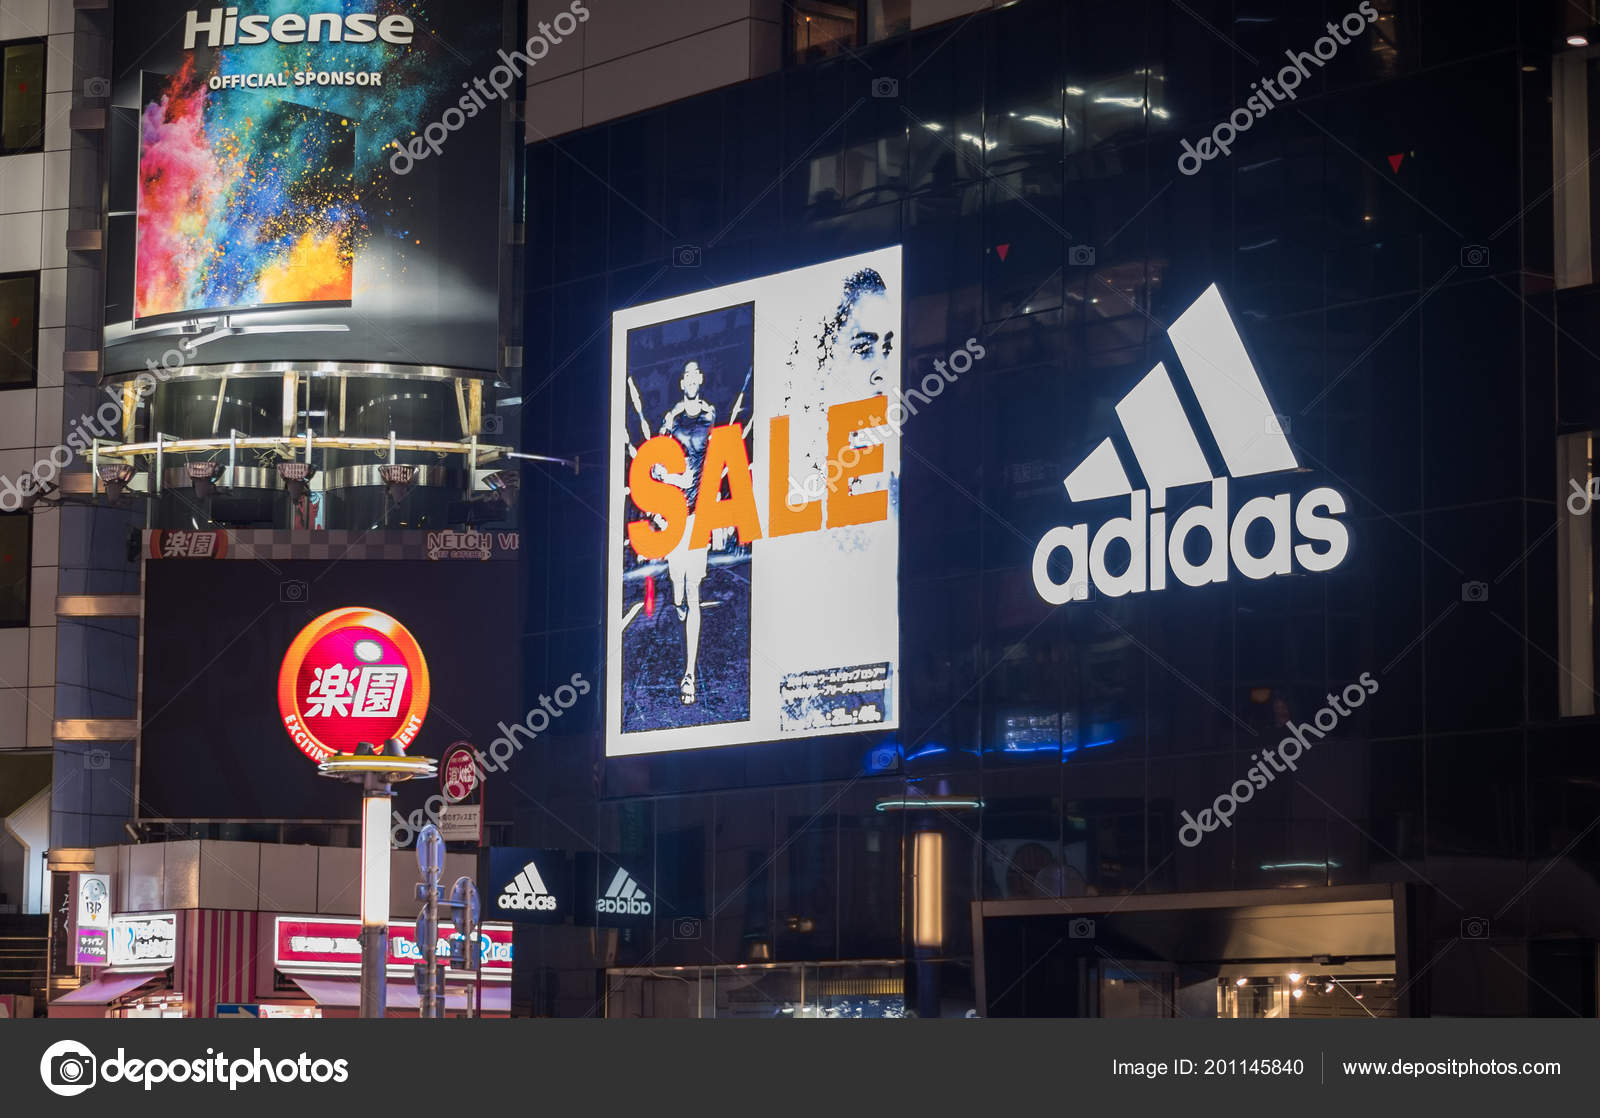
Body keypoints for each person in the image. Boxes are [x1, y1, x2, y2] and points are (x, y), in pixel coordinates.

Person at [649, 360, 716, 705]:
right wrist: (677, 480)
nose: (692, 379)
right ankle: (676, 600)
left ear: (701, 379)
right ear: (681, 382)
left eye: (696, 374)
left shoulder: (710, 415)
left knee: (694, 591)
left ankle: (688, 674)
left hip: (698, 515)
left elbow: (715, 460)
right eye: (686, 375)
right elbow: (656, 467)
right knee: (678, 586)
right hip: (676, 511)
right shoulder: (671, 419)